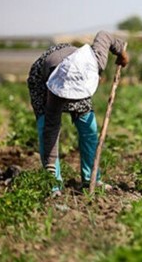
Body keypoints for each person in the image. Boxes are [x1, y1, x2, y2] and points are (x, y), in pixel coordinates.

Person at [27, 31, 129, 195]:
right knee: (45, 126)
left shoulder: (96, 61)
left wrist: (121, 52)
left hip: (79, 71)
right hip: (45, 78)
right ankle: (53, 183)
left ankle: (92, 178)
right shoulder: (54, 90)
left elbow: (104, 35)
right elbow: (50, 130)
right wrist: (51, 170)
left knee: (89, 128)